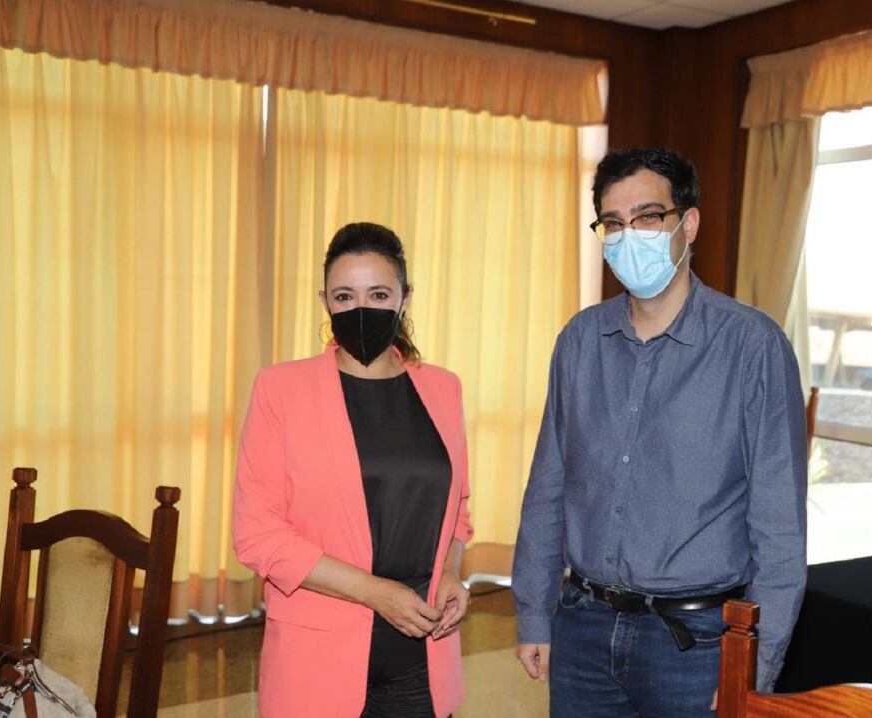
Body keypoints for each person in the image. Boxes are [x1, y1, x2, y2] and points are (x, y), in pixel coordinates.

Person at [512, 148, 808, 717]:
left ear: (687, 224)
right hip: (582, 626)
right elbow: (548, 487)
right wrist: (532, 611)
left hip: (695, 642)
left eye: (647, 218)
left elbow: (780, 528)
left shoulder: (752, 347)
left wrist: (755, 668)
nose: (629, 237)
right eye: (613, 223)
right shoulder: (580, 340)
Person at [233, 222, 473, 718]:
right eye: (345, 295)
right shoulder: (281, 389)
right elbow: (257, 534)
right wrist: (376, 593)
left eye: (379, 293)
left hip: (422, 649)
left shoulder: (442, 388)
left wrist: (450, 574)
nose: (361, 308)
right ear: (326, 302)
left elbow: (458, 510)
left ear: (406, 298)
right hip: (317, 657)